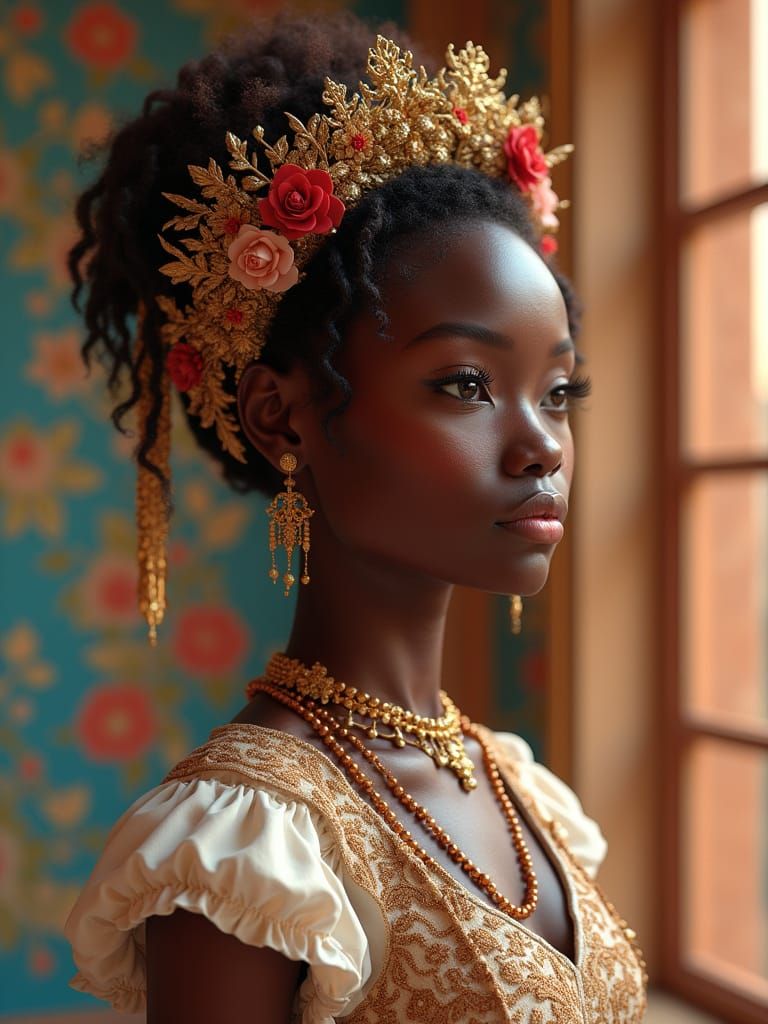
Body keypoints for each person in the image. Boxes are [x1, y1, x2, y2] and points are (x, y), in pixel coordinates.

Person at [63, 11, 647, 1023]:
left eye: (557, 392)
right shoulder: (242, 849)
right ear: (281, 416)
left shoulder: (517, 787)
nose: (542, 445)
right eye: (466, 383)